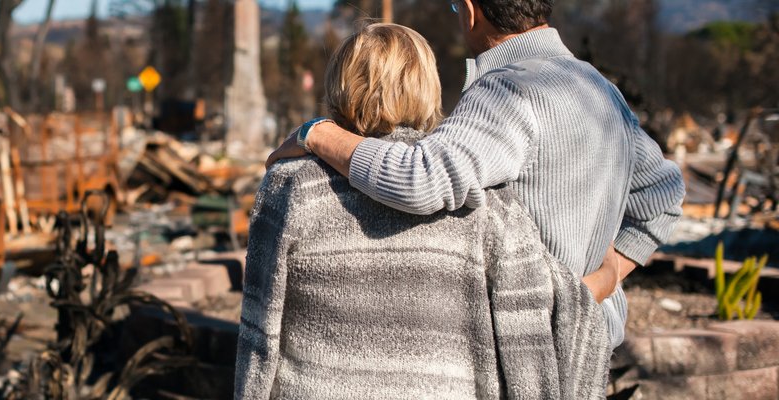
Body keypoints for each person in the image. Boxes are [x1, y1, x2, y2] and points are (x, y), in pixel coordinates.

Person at [267, 0, 686, 349]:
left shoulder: (508, 89)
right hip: (591, 344)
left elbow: (420, 179)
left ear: (471, 11)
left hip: (528, 352)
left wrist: (316, 133)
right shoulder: (599, 88)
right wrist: (607, 275)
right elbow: (664, 194)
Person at [235, 23, 609, 399]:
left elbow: (259, 332)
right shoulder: (486, 205)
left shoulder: (290, 186)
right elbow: (528, 337)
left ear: (340, 87)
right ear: (428, 88)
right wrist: (609, 272)